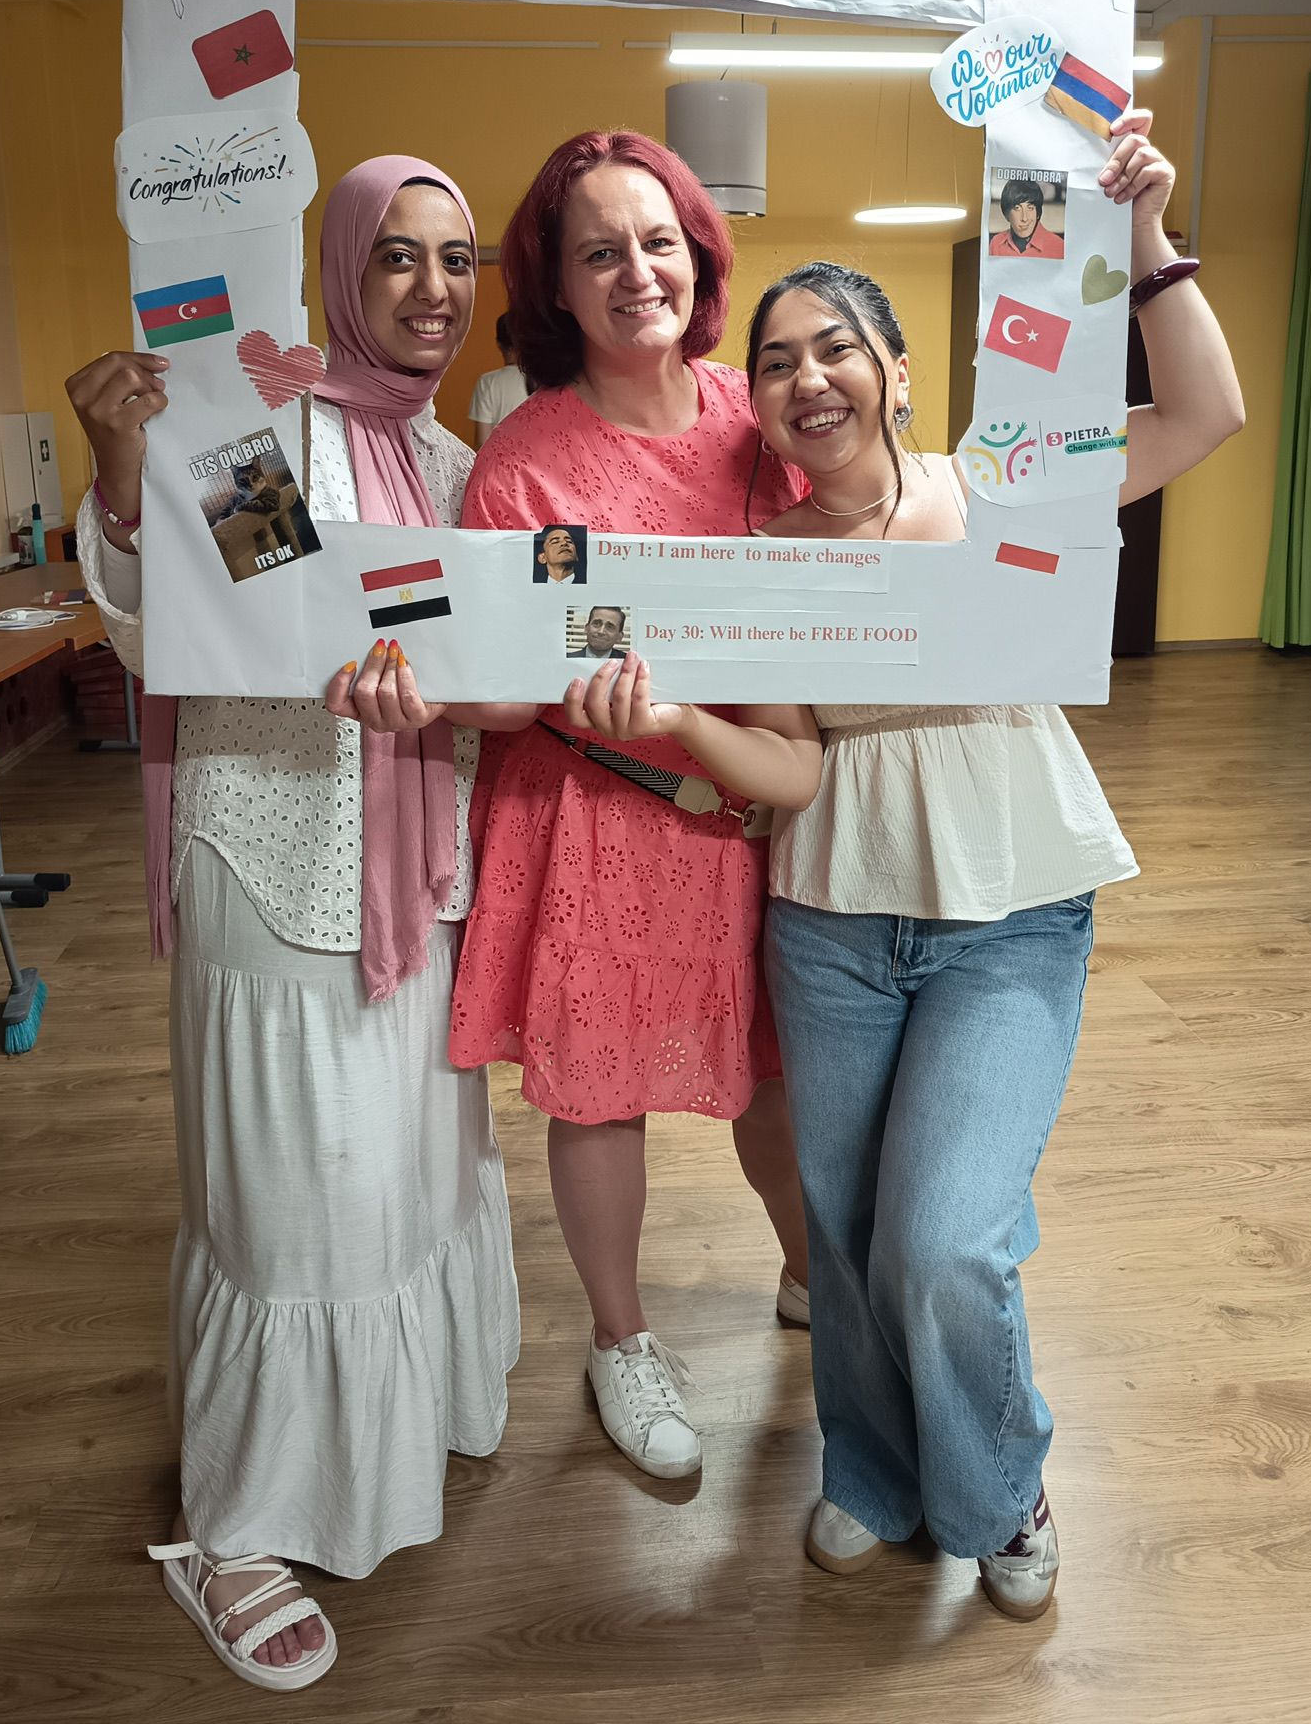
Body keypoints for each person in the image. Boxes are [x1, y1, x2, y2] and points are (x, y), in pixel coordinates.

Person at [568, 110, 1244, 1617]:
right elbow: (798, 767)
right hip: (832, 917)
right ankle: (870, 1471)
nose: (808, 377)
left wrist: (1147, 240)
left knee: (945, 1237)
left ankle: (1002, 1488)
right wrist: (677, 723)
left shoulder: (1003, 482)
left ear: (896, 370)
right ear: (756, 403)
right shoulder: (764, 564)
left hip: (1009, 907)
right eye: (777, 361)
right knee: (849, 1222)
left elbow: (1205, 414)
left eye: (836, 348)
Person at [66, 157, 520, 1693]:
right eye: (397, 256)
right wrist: (123, 472)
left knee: (404, 1173)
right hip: (274, 857)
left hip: (415, 878)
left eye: (456, 260)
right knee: (293, 1197)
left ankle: (400, 1422)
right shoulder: (262, 428)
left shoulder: (456, 465)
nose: (433, 290)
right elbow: (177, 627)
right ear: (338, 269)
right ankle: (242, 1523)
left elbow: (480, 658)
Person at [344, 130, 812, 1483]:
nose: (636, 272)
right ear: (557, 281)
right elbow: (499, 681)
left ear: (700, 257)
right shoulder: (525, 459)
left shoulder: (760, 422)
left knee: (781, 1071)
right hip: (593, 811)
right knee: (599, 1088)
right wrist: (441, 691)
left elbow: (834, 581)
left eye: (658, 241)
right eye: (599, 251)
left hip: (753, 800)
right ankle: (621, 1339)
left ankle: (812, 1274)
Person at [470, 311, 529, 447]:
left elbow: (482, 443)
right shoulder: (542, 381)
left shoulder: (487, 382)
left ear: (499, 344)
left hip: (499, 459)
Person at [989, 175, 1063, 258]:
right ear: (1007, 214)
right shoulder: (996, 244)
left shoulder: (1058, 246)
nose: (1024, 218)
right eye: (1017, 208)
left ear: (1037, 213)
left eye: (1030, 208)